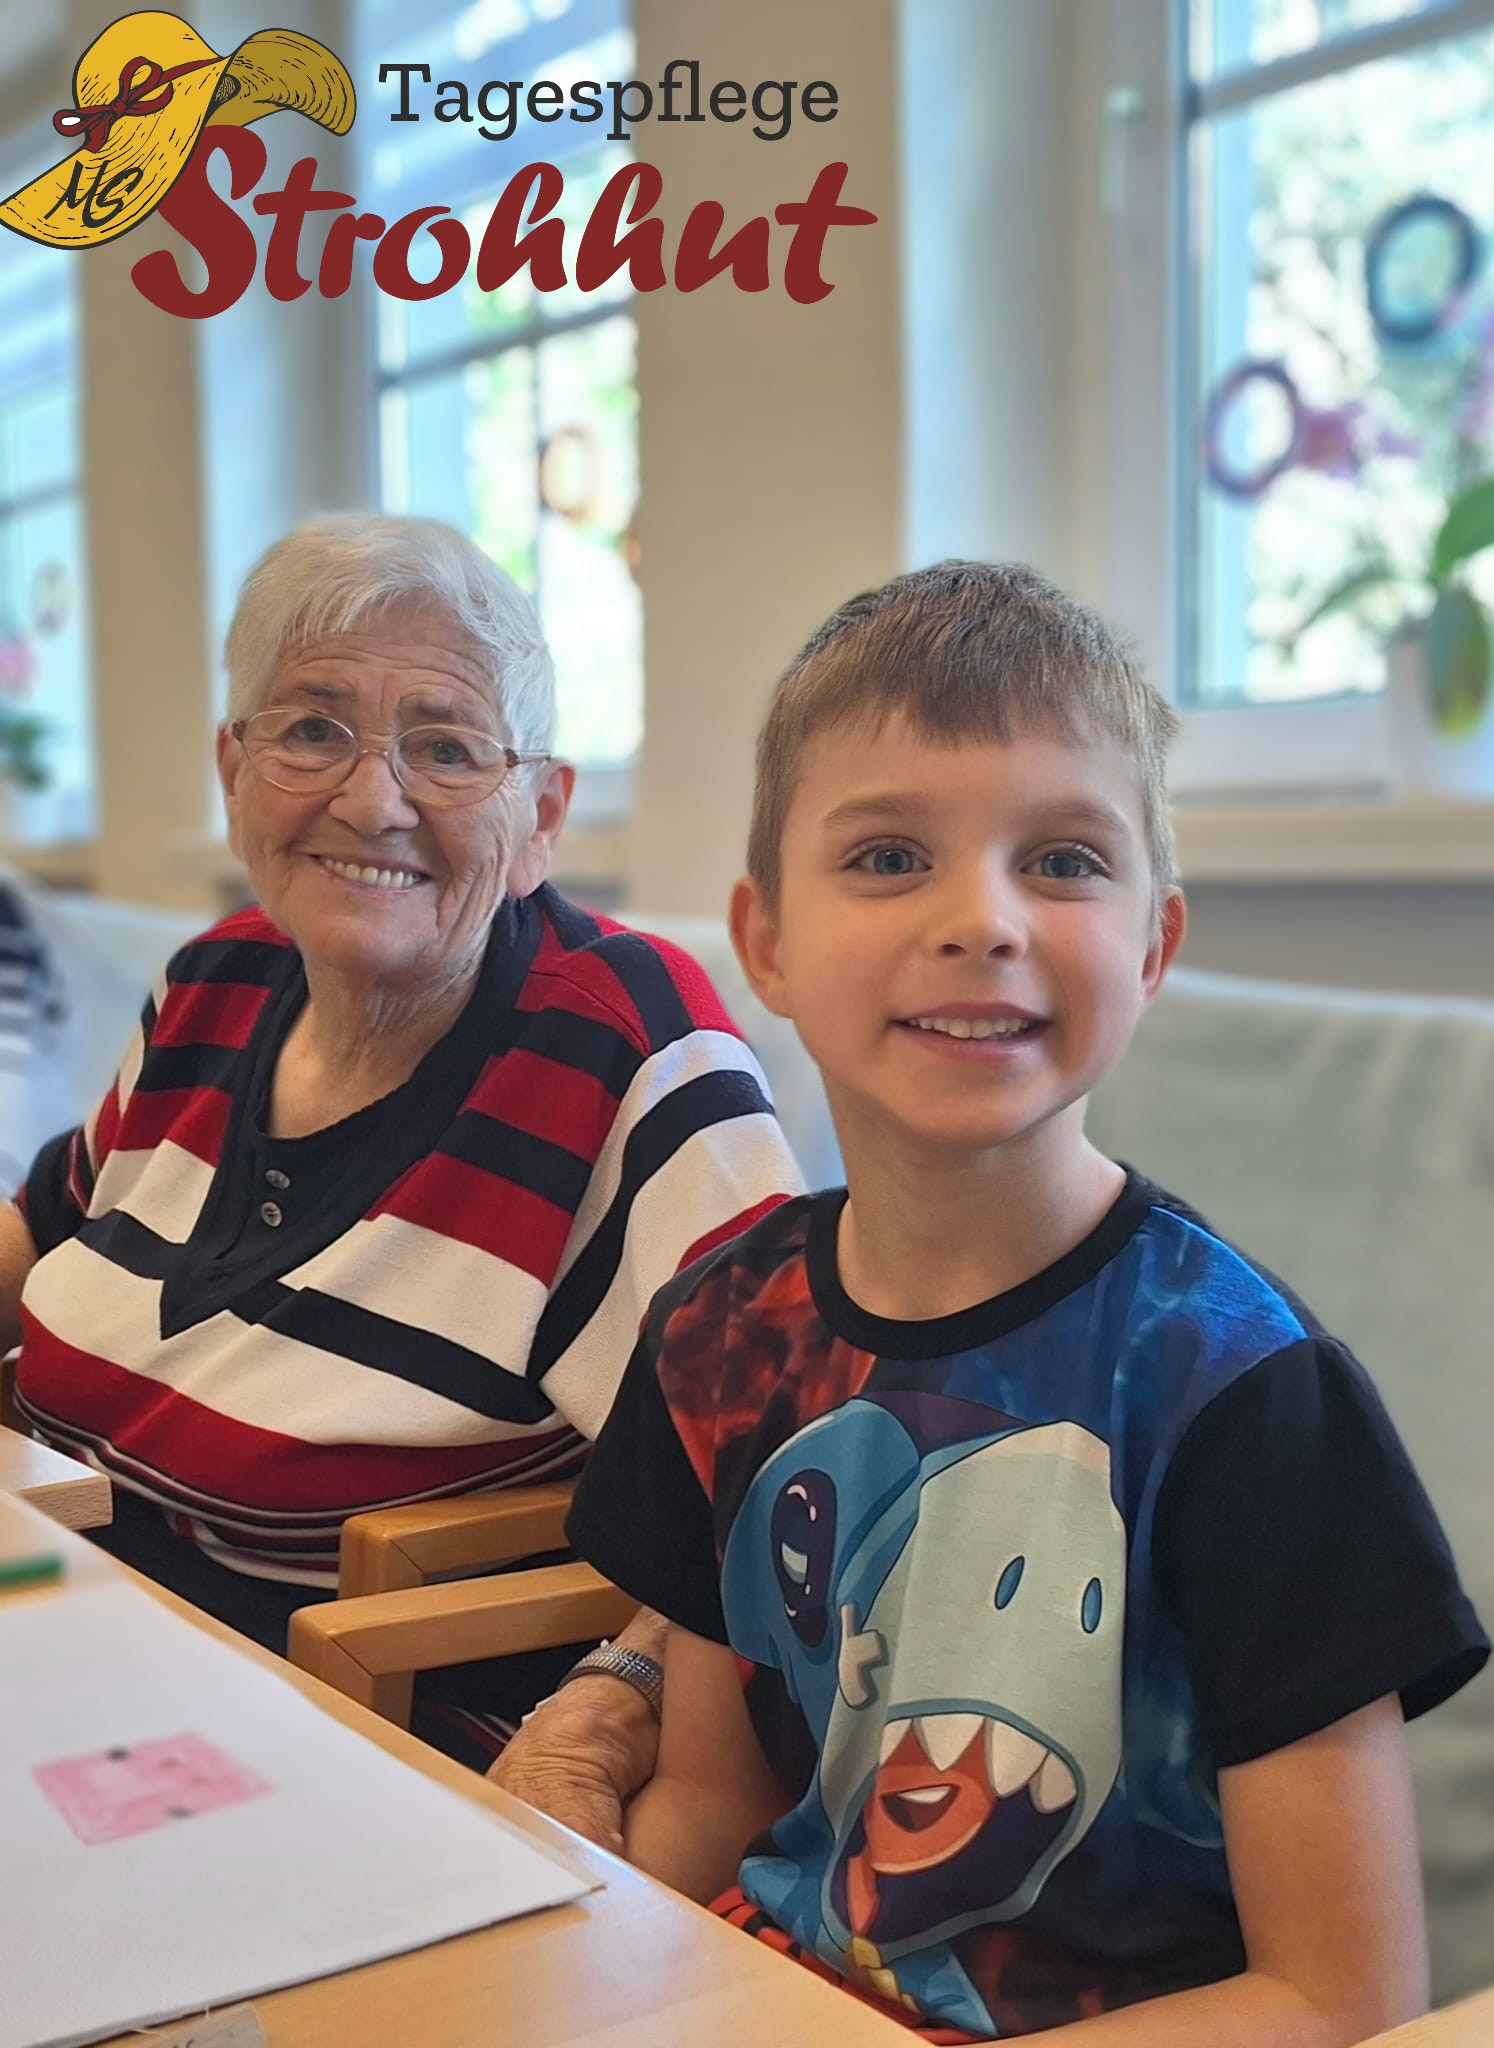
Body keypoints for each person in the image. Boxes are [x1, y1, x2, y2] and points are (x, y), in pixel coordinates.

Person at [564, 563, 1489, 2042]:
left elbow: (1338, 1996)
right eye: (887, 856)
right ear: (767, 943)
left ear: (1152, 944)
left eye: (1061, 860)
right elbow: (709, 1814)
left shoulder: (1249, 1394)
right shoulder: (717, 1334)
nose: (981, 918)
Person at [0, 514, 800, 1800]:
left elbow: (794, 1469)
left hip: (336, 1742)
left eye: (445, 747)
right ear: (235, 769)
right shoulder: (220, 978)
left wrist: (615, 1702)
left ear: (540, 816)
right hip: (59, 1635)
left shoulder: (626, 1049)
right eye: (313, 729)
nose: (372, 801)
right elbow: (47, 1225)